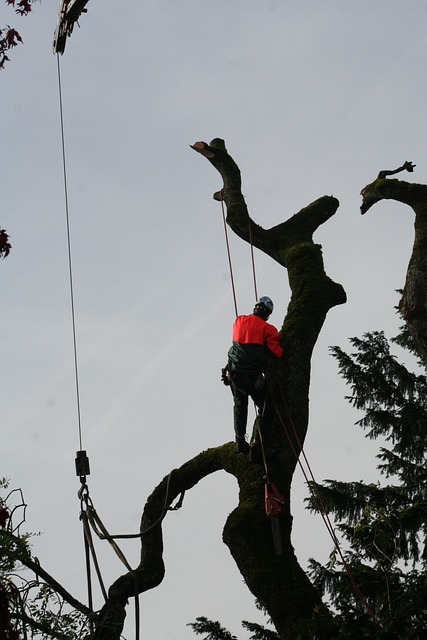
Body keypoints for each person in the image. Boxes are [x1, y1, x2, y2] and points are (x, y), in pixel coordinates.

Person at [222, 296, 283, 453]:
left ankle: (240, 442)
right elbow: (276, 352)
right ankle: (258, 444)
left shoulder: (239, 320)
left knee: (240, 405)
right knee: (266, 406)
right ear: (268, 314)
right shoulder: (269, 329)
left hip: (233, 375)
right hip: (251, 378)